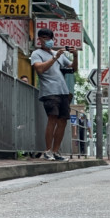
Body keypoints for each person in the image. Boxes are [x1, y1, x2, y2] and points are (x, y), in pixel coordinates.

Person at [30, 28, 76, 161]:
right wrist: (55, 57)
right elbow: (40, 68)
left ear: (52, 39)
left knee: (62, 121)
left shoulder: (59, 54)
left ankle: (55, 151)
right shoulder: (36, 54)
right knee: (52, 118)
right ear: (39, 39)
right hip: (49, 91)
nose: (46, 41)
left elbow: (73, 68)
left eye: (49, 38)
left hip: (63, 91)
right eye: (43, 38)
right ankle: (47, 150)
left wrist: (76, 56)